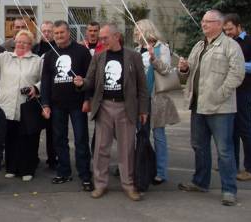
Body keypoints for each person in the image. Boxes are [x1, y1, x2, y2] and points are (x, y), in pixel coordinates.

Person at [177, 10, 245, 206]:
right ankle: (200, 182)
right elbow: (187, 74)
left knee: (224, 150)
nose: (203, 24)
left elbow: (237, 74)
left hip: (221, 108)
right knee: (199, 146)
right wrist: (184, 68)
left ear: (219, 24)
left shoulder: (230, 46)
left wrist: (220, 94)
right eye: (203, 21)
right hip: (198, 105)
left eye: (208, 22)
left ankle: (229, 190)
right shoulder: (199, 46)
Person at [74, 23, 148, 201]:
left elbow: (142, 87)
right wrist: (81, 83)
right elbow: (90, 80)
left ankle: (128, 185)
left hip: (126, 107)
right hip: (104, 107)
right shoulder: (99, 57)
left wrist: (143, 109)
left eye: (105, 38)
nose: (101, 41)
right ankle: (100, 184)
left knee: (127, 149)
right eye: (100, 38)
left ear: (117, 36)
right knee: (101, 148)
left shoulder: (133, 56)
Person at [41, 20, 94, 191]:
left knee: (81, 139)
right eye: (55, 33)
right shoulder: (49, 55)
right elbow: (46, 82)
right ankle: (63, 172)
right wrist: (45, 104)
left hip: (78, 104)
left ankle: (85, 174)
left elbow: (89, 78)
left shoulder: (82, 52)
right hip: (56, 105)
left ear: (68, 32)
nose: (58, 36)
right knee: (59, 140)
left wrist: (88, 99)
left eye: (61, 33)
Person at [0, 28, 42, 181]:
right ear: (14, 43)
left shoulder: (37, 60)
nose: (21, 44)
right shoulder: (5, 57)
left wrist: (36, 88)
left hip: (27, 106)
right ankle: (11, 167)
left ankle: (27, 170)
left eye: (25, 42)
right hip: (7, 104)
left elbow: (45, 80)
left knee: (27, 140)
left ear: (30, 45)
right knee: (10, 138)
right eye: (19, 42)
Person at [134, 19, 180, 184]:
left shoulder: (162, 48)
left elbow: (166, 69)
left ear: (146, 31)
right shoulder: (138, 49)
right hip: (141, 98)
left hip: (157, 97)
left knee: (159, 135)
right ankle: (142, 167)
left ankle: (161, 172)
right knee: (141, 134)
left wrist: (154, 58)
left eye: (138, 30)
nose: (136, 33)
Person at [223, 13, 251, 181]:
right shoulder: (227, 43)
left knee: (245, 129)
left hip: (243, 91)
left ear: (238, 26)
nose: (227, 32)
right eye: (225, 30)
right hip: (229, 91)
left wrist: (237, 64)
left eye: (230, 29)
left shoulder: (250, 42)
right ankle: (232, 166)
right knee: (231, 130)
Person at [32, 20, 57, 170]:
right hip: (35, 93)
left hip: (53, 94)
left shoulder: (58, 49)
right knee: (34, 128)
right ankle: (33, 157)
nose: (46, 33)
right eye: (44, 31)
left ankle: (52, 159)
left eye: (49, 31)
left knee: (52, 130)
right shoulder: (35, 48)